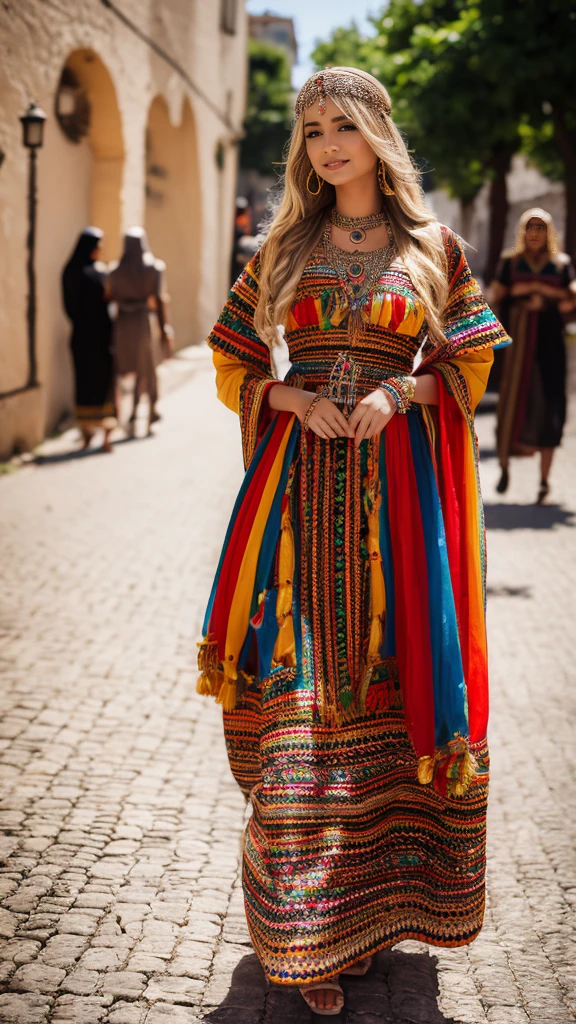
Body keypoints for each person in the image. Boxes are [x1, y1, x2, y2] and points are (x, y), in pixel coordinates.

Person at [197, 68, 509, 1015]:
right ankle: (302, 939)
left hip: (397, 505)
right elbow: (231, 353)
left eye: (345, 125)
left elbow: (473, 354)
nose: (328, 143)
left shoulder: (433, 247)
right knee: (302, 713)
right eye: (314, 128)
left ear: (378, 135)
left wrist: (396, 392)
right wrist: (287, 395)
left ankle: (365, 920)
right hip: (294, 504)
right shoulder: (283, 243)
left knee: (386, 701)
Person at [491, 208, 574, 503]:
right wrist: (523, 292)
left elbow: (569, 302)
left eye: (541, 227)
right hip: (518, 348)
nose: (535, 232)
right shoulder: (510, 263)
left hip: (550, 346)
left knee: (552, 405)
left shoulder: (560, 264)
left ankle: (544, 480)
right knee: (513, 400)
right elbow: (495, 296)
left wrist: (544, 293)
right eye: (530, 226)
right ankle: (504, 467)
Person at [107, 228, 173, 435]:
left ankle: (133, 411)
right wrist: (164, 330)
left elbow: (110, 296)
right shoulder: (154, 268)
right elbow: (160, 300)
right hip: (145, 321)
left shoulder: (115, 270)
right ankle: (150, 409)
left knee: (131, 368)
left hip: (124, 323)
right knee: (148, 369)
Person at [62, 227, 117, 453]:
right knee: (89, 385)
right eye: (98, 244)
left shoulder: (88, 271)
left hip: (96, 338)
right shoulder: (82, 272)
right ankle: (91, 435)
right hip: (91, 338)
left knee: (100, 385)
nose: (101, 248)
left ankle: (101, 437)